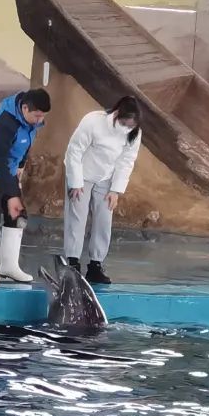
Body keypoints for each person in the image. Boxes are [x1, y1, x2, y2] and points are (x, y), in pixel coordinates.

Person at [0, 88, 51, 283]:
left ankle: (9, 266)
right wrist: (11, 194)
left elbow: (25, 144)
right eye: (37, 116)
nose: (40, 120)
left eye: (43, 116)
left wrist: (21, 165)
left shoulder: (30, 121)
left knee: (17, 216)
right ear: (25, 108)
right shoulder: (5, 122)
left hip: (8, 169)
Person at [62, 96, 143, 285]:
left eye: (131, 126)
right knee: (77, 218)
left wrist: (116, 190)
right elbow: (74, 150)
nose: (126, 128)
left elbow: (126, 161)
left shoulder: (134, 133)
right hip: (82, 173)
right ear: (116, 114)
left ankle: (95, 265)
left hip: (106, 178)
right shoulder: (93, 121)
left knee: (104, 220)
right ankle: (72, 262)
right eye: (124, 123)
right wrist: (75, 182)